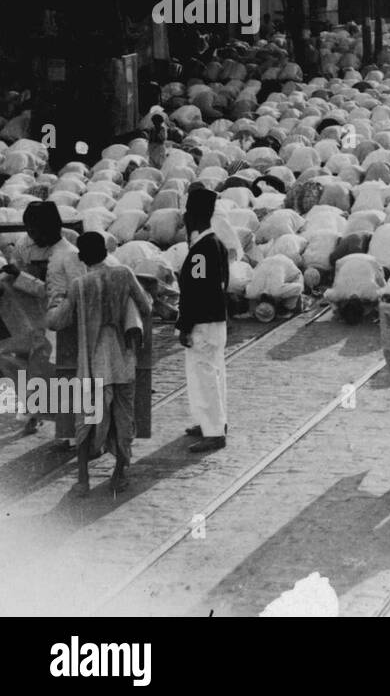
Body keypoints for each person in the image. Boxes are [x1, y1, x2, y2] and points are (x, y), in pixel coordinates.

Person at [45, 232, 152, 498]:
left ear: (82, 257)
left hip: (92, 364)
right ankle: (119, 474)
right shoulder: (124, 274)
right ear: (105, 250)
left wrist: (55, 302)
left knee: (85, 420)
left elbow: (56, 322)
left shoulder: (79, 285)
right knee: (123, 417)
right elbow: (146, 306)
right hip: (122, 360)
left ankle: (83, 480)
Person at [0, 200, 84, 439]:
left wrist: (23, 278)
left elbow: (68, 293)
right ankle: (33, 409)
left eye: (35, 230)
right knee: (12, 361)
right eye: (28, 229)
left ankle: (68, 426)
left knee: (53, 371)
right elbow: (17, 276)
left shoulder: (69, 254)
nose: (32, 235)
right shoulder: (25, 245)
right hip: (29, 317)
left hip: (57, 321)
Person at [178, 187, 230, 454]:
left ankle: (214, 432)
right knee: (213, 373)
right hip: (215, 320)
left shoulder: (200, 251)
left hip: (202, 322)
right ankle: (212, 422)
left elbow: (196, 292)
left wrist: (185, 325)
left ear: (193, 217)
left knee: (205, 375)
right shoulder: (217, 244)